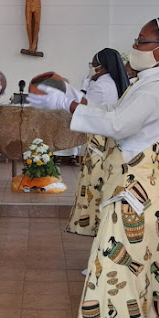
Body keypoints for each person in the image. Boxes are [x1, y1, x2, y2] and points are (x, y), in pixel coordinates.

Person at [28, 15, 159, 318]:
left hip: (136, 200)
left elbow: (116, 125)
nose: (135, 47)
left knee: (122, 282)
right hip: (143, 194)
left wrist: (67, 105)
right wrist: (75, 100)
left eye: (142, 42)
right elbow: (114, 111)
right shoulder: (153, 80)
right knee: (147, 283)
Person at [66, 48, 129, 240]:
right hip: (114, 144)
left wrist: (82, 90)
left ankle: (94, 230)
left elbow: (83, 110)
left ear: (101, 67)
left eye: (93, 64)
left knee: (94, 189)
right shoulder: (117, 82)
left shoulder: (100, 85)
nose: (92, 68)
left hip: (98, 144)